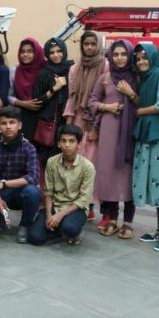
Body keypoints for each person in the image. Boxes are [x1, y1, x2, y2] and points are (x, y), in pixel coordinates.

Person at [130, 43, 159, 253]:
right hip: (149, 133)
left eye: (144, 57)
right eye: (138, 58)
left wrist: (140, 111)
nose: (141, 62)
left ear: (154, 57)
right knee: (157, 184)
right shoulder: (147, 77)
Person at [88, 40, 137, 238]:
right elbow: (92, 101)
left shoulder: (137, 77)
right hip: (108, 131)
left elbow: (145, 103)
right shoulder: (106, 77)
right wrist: (107, 107)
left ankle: (128, 222)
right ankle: (113, 219)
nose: (119, 58)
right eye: (115, 54)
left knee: (128, 176)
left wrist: (130, 93)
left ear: (130, 55)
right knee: (108, 173)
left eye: (123, 54)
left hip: (131, 132)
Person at [0, 106, 41, 243]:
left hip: (19, 193)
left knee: (33, 192)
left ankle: (25, 226)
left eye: (12, 122)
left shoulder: (28, 148)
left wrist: (4, 184)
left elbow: (33, 177)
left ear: (19, 125)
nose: (8, 126)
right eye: (4, 123)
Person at [62, 30, 108, 222]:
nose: (89, 47)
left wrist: (95, 127)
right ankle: (81, 206)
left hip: (97, 121)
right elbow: (72, 97)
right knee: (77, 164)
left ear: (98, 45)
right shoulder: (75, 68)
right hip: (78, 120)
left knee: (94, 165)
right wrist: (67, 129)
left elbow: (105, 97)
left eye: (92, 44)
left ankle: (97, 207)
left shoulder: (106, 66)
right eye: (86, 44)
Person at [28, 124, 95, 246]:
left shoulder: (87, 167)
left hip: (75, 208)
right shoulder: (52, 162)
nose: (67, 145)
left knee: (70, 228)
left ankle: (68, 229)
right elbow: (48, 192)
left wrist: (59, 215)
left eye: (71, 141)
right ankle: (58, 229)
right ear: (58, 143)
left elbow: (83, 200)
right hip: (55, 205)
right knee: (34, 238)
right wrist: (49, 215)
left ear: (79, 144)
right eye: (63, 141)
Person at [32, 37, 73, 183]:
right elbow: (37, 100)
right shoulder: (44, 73)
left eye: (59, 51)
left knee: (68, 160)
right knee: (49, 161)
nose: (56, 55)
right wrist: (55, 88)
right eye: (52, 52)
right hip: (50, 123)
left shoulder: (72, 70)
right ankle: (47, 194)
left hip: (69, 121)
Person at [8, 38, 46, 141]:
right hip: (22, 116)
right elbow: (8, 96)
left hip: (43, 116)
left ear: (37, 52)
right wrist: (23, 103)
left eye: (30, 51)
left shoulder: (46, 70)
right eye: (22, 51)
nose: (25, 54)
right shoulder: (14, 71)